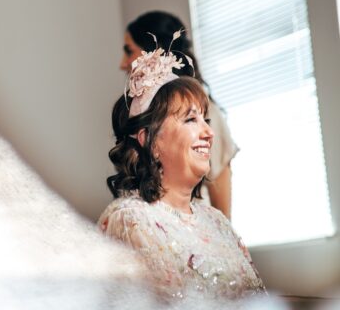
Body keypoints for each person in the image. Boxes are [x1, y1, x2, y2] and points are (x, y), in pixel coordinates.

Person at [99, 47, 265, 301]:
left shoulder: (216, 221)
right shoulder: (131, 221)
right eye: (190, 120)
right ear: (151, 143)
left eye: (205, 120)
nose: (209, 133)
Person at [118, 11, 237, 219]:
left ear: (152, 51)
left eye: (129, 51)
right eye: (191, 119)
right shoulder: (133, 118)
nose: (122, 63)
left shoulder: (208, 118)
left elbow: (223, 212)